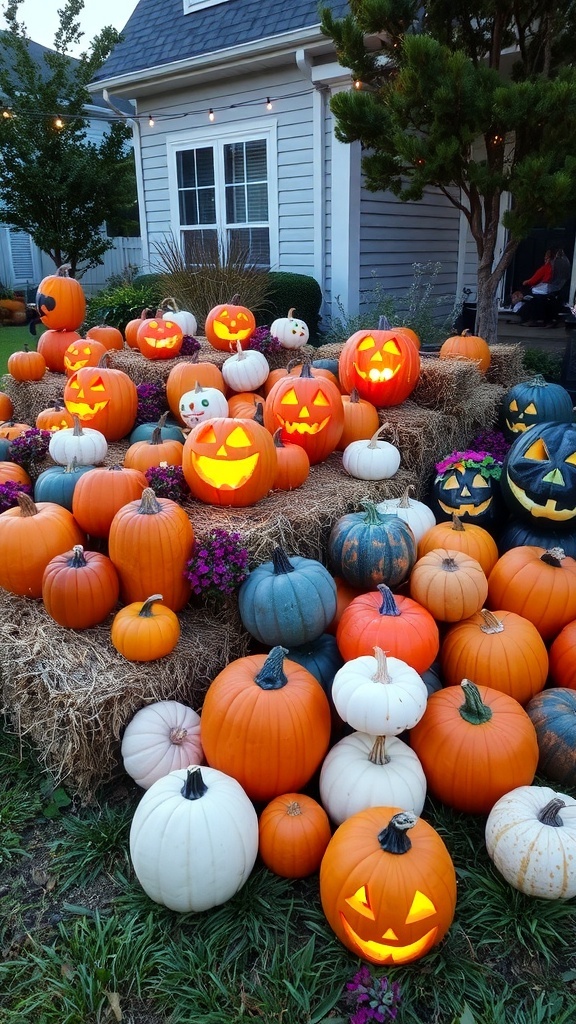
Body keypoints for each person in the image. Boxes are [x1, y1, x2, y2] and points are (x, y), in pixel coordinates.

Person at [517, 249, 555, 323]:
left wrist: (526, 282)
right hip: (548, 289)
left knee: (526, 293)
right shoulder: (554, 268)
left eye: (546, 258)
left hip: (541, 289)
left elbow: (533, 280)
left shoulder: (546, 267)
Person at [542, 248, 572, 327]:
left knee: (549, 300)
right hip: (561, 286)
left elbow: (553, 276)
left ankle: (551, 320)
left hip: (558, 286)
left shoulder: (557, 262)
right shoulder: (564, 260)